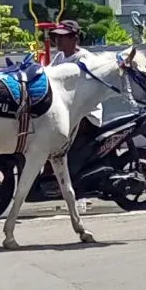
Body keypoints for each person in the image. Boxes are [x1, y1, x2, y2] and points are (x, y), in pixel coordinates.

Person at [49, 20, 103, 190]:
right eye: (56, 36)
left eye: (62, 37)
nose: (58, 40)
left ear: (75, 38)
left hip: (86, 115)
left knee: (53, 138)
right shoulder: (59, 57)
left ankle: (58, 178)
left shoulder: (84, 59)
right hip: (66, 112)